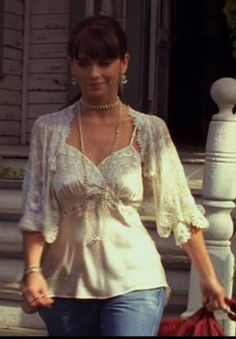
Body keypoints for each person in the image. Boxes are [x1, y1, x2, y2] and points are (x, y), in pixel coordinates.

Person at [19, 15, 228, 337]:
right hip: (64, 287)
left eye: (105, 62)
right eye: (84, 63)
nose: (94, 74)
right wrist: (32, 270)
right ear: (72, 65)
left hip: (136, 282)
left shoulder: (150, 129)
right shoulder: (48, 129)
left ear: (124, 63)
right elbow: (35, 210)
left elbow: (182, 210)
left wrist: (209, 278)